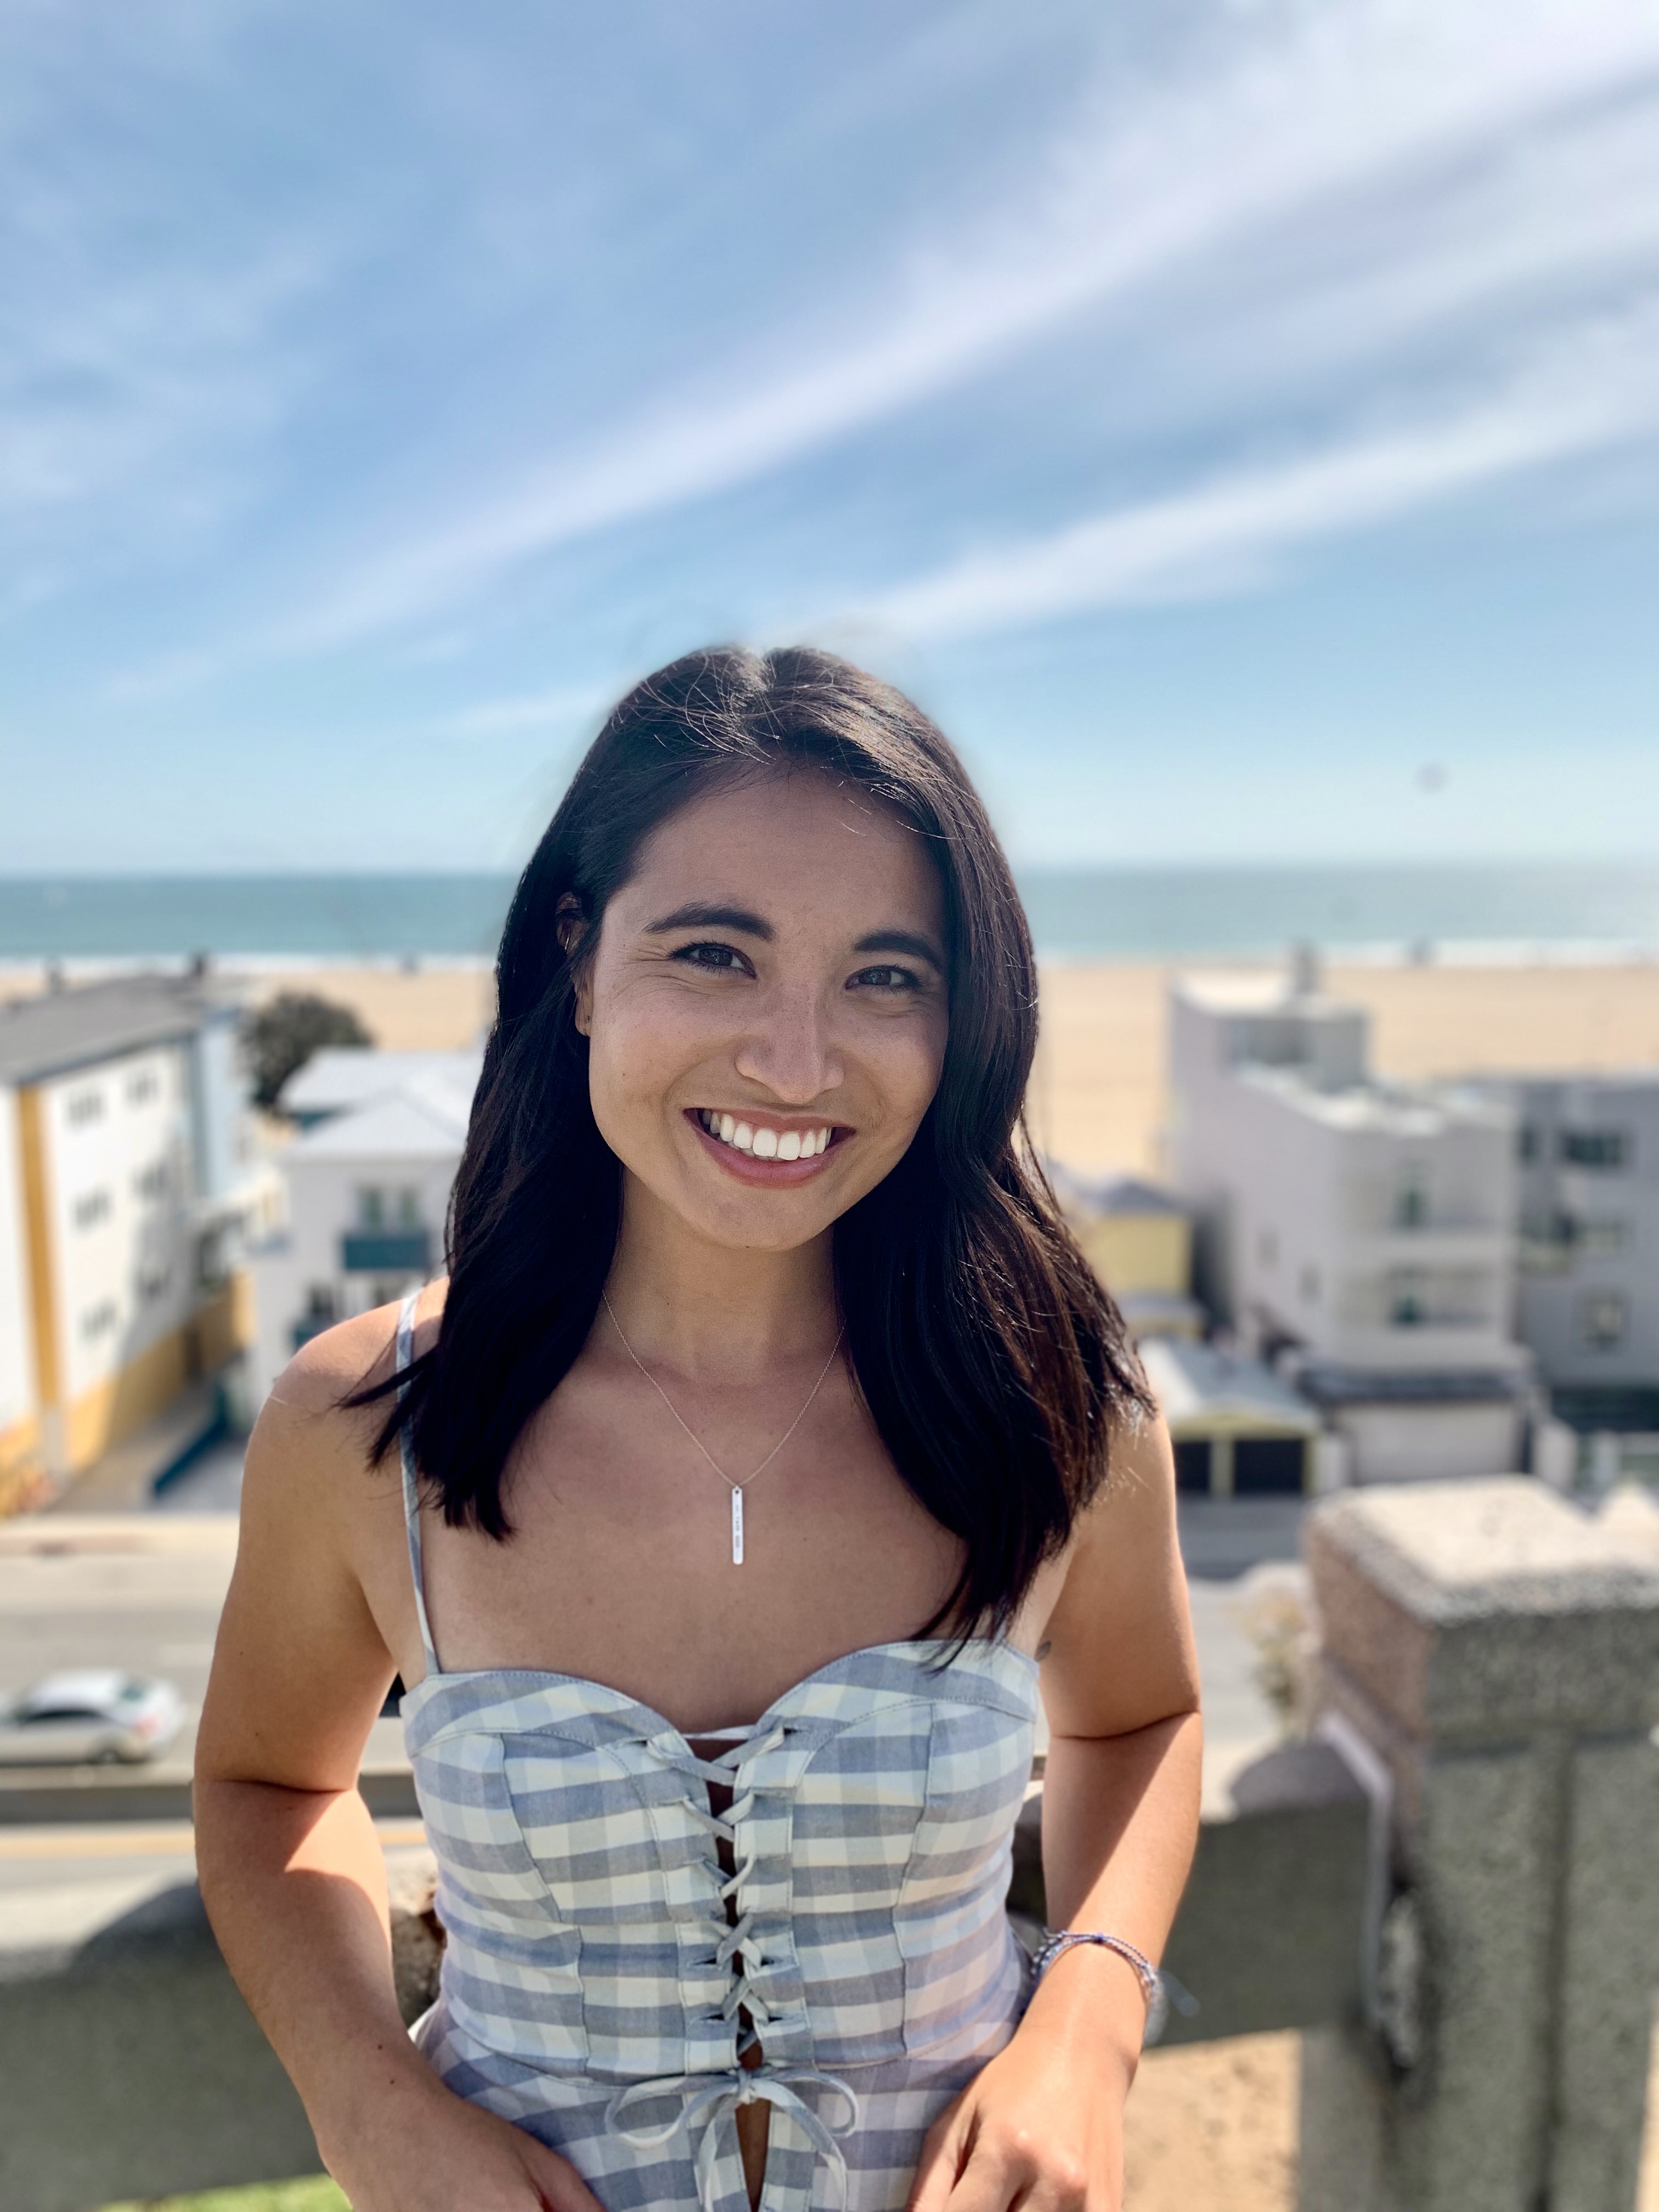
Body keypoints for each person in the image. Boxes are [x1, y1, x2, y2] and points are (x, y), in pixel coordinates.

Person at [195, 646, 1202, 2212]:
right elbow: (265, 1788)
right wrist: (365, 2098)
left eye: (886, 976)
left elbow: (1141, 1725)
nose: (795, 1064)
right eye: (716, 954)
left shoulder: (1058, 1397)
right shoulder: (366, 1428)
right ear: (580, 961)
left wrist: (1088, 2021)